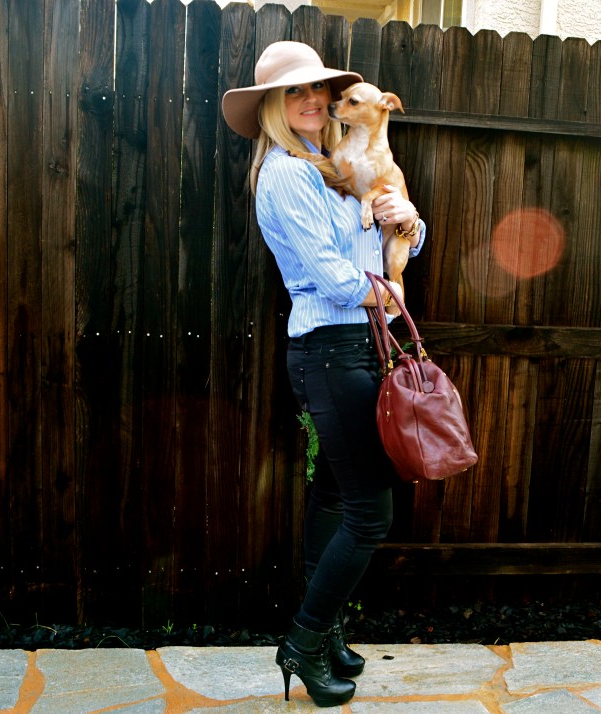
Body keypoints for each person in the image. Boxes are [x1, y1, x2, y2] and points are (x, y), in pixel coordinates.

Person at [221, 41, 426, 707]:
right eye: (294, 92)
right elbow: (336, 280)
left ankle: (328, 633)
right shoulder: (286, 175)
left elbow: (390, 241)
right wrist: (389, 301)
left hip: (356, 345)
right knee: (370, 512)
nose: (312, 100)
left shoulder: (335, 165)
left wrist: (409, 223)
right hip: (331, 349)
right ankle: (303, 642)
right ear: (271, 109)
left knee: (335, 495)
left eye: (319, 89)